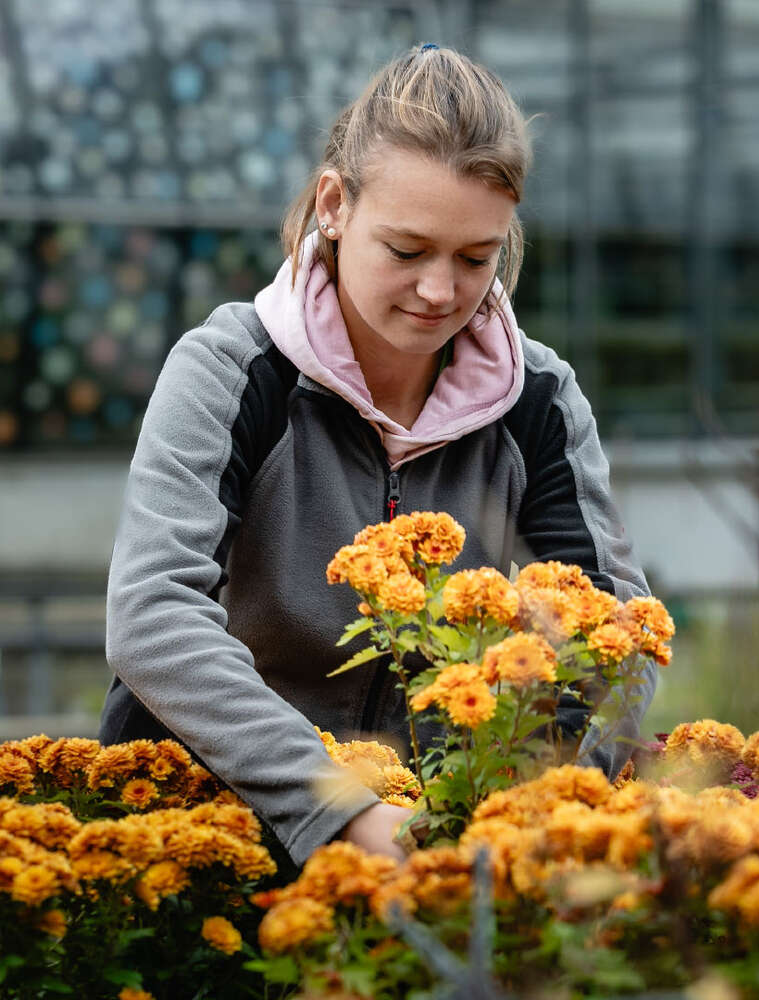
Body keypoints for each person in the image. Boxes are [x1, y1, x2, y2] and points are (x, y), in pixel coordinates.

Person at [99, 44, 656, 865]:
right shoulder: (233, 370)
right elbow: (152, 617)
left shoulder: (539, 400)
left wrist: (536, 799)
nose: (441, 291)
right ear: (334, 203)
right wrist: (337, 807)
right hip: (197, 836)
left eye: (476, 258)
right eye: (407, 250)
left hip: (437, 843)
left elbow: (613, 635)